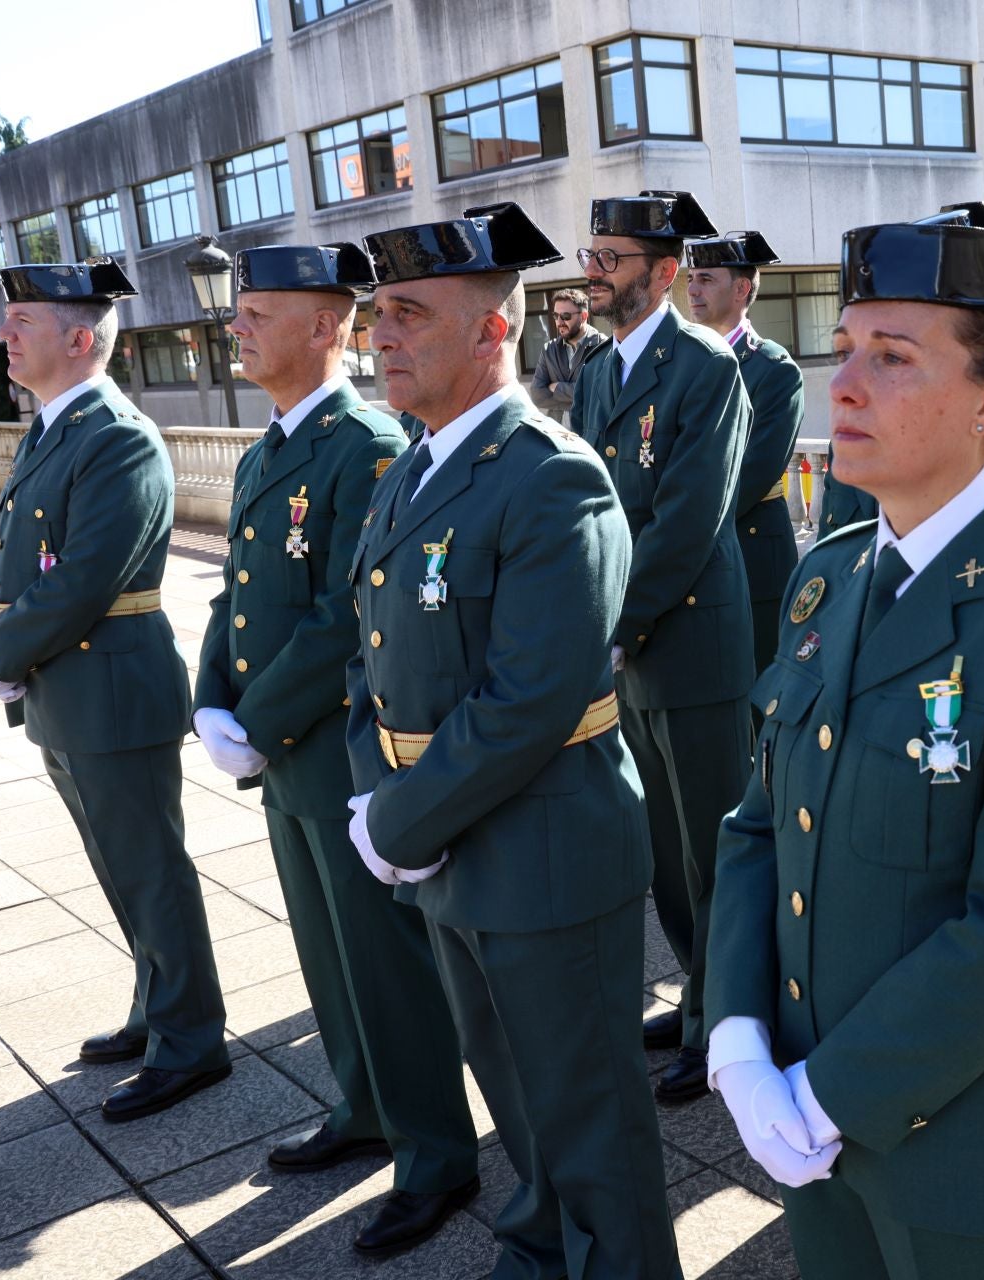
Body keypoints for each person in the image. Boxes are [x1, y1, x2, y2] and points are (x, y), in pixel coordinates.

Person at [705, 202, 984, 1279]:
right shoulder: (828, 575)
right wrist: (737, 1034)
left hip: (972, 1151)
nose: (844, 383)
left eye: (892, 357)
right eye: (846, 346)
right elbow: (759, 827)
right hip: (811, 1121)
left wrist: (825, 1095)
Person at [349, 202, 680, 1277]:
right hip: (450, 846)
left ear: (494, 330)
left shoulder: (549, 473)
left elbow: (531, 697)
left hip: (542, 851)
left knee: (589, 1123)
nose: (381, 335)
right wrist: (376, 798)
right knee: (518, 1104)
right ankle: (538, 1254)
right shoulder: (415, 467)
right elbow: (373, 657)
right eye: (379, 314)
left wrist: (398, 821)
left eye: (409, 313)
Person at [190, 242, 480, 1256]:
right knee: (328, 952)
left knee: (385, 965)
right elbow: (236, 592)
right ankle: (364, 1106)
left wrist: (258, 719)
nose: (237, 325)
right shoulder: (271, 447)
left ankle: (435, 1152)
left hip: (333, 748)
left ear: (325, 326)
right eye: (239, 310)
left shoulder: (363, 445)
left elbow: (341, 617)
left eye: (257, 311)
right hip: (280, 753)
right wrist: (210, 699)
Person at [0, 261, 229, 1122]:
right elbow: (7, 553)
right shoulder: (52, 430)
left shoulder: (116, 437)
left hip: (111, 689)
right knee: (116, 866)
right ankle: (157, 1005)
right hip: (63, 690)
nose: (5, 334)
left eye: (23, 321)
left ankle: (191, 1039)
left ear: (78, 339)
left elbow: (83, 578)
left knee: (150, 869)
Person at [570, 190, 755, 1104]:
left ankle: (728, 1020)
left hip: (686, 641)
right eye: (592, 256)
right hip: (629, 648)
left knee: (716, 849)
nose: (593, 274)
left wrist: (615, 626)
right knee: (665, 850)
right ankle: (697, 995)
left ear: (666, 271)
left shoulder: (705, 367)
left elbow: (686, 521)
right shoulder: (597, 370)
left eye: (611, 259)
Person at [686, 230, 806, 679]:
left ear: (741, 290)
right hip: (692, 552)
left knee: (756, 687)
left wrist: (675, 529)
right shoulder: (684, 362)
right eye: (691, 278)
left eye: (706, 279)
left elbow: (751, 475)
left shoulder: (773, 370)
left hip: (750, 552)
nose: (692, 289)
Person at [527, 286, 608, 422]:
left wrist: (557, 387)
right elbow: (537, 395)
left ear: (583, 316)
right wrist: (580, 397)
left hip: (590, 429)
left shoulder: (603, 346)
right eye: (556, 316)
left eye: (565, 316)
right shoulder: (549, 349)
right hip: (557, 430)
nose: (559, 322)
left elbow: (600, 393)